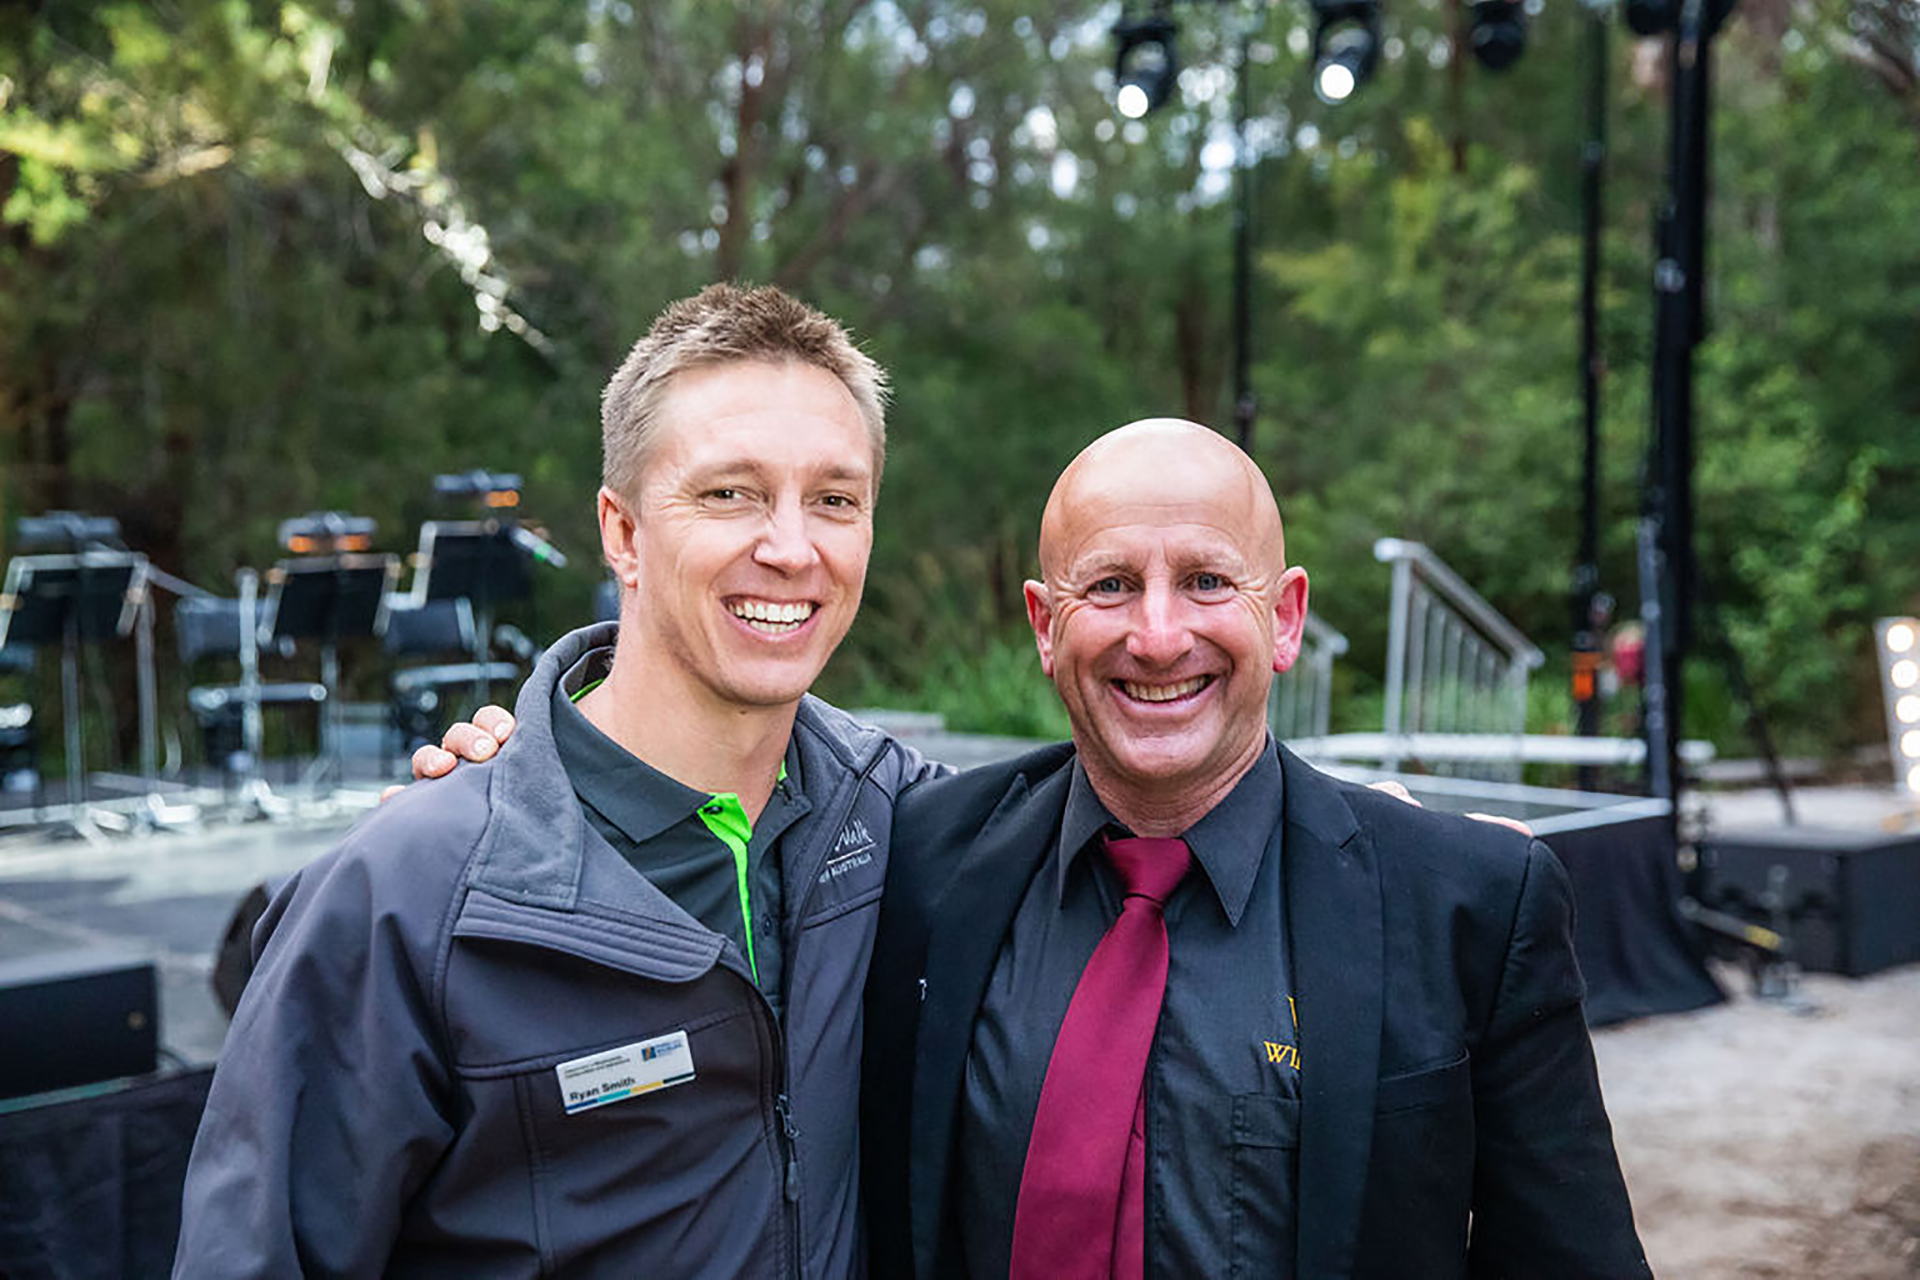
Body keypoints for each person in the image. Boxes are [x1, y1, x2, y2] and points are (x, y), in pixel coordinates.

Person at [174, 284, 941, 1276]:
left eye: (834, 499)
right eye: (728, 493)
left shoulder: (905, 819)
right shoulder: (407, 895)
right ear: (622, 532)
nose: (792, 547)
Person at [859, 419, 1648, 1278]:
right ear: (1046, 626)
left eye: (1205, 581)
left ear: (1285, 617)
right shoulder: (921, 860)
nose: (1158, 636)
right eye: (1112, 585)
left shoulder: (1469, 903)